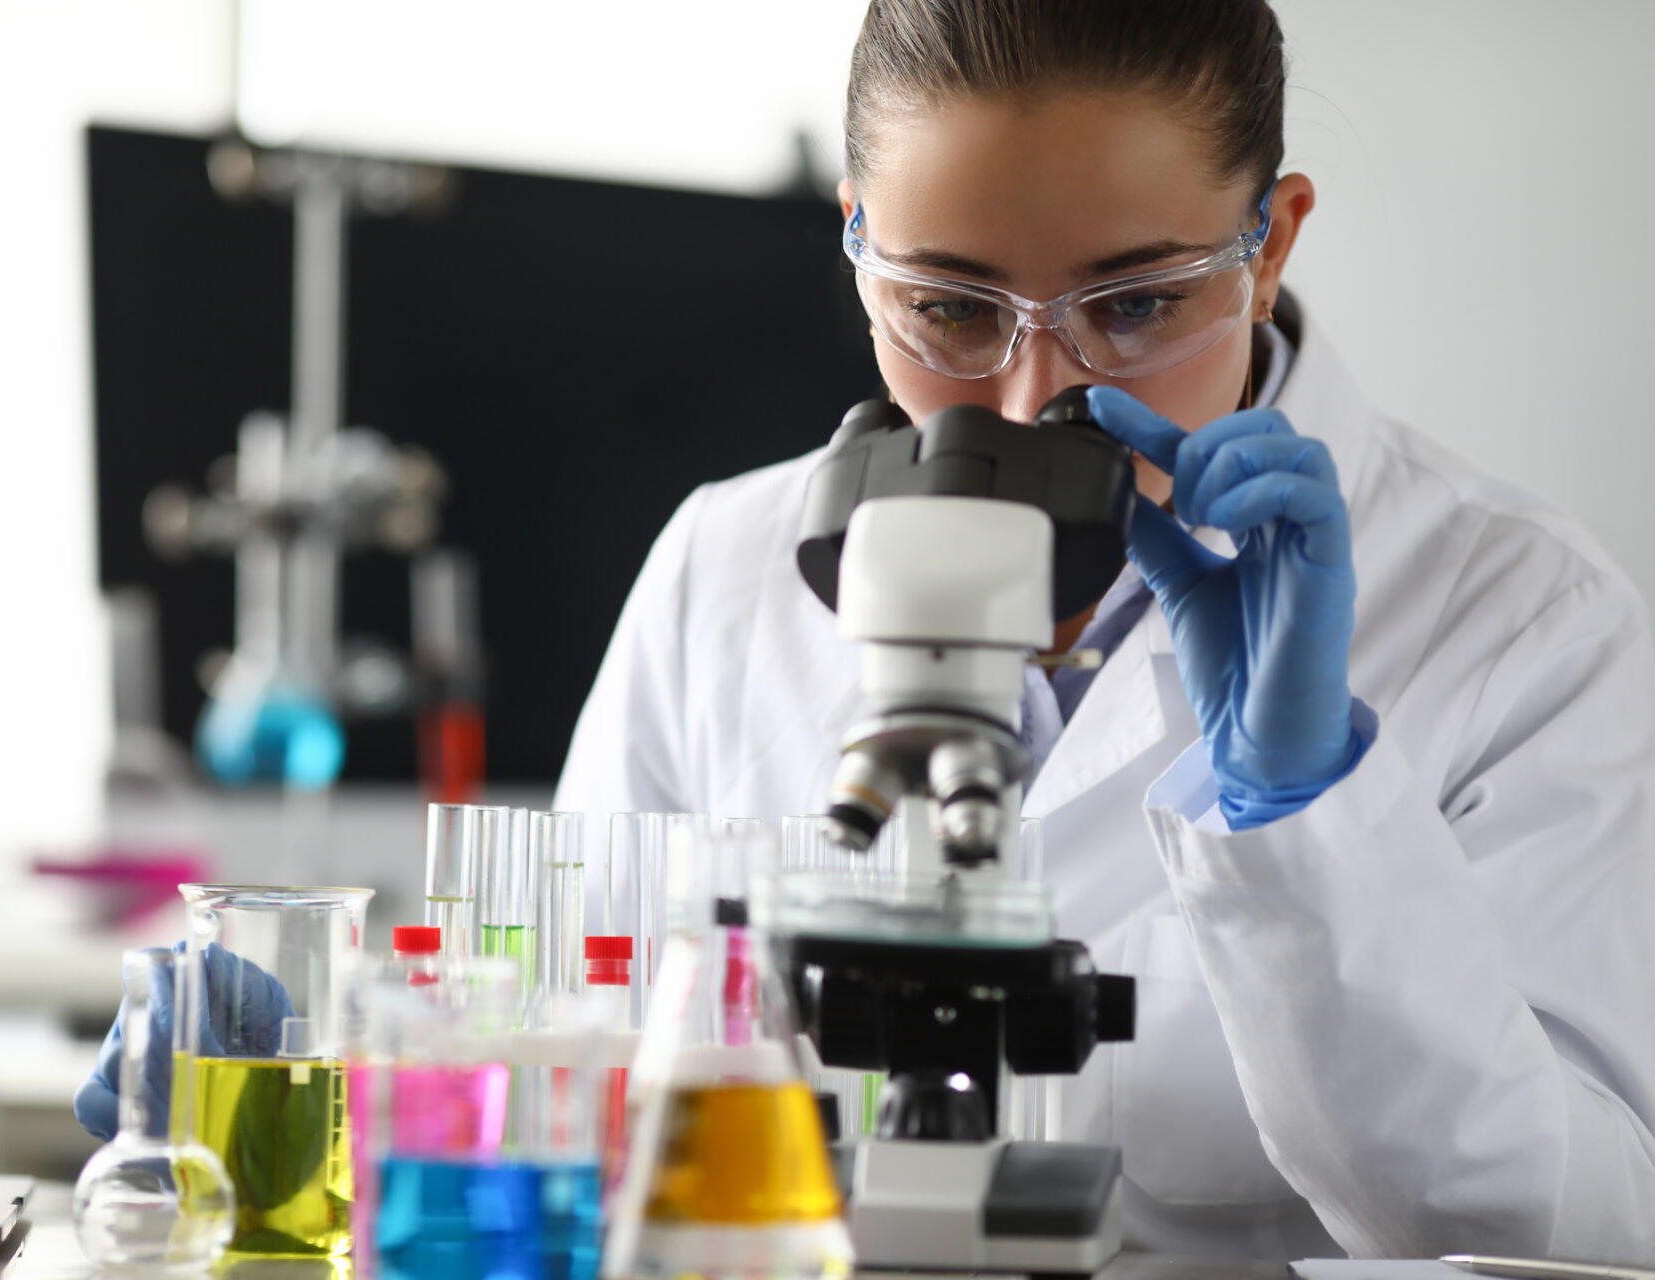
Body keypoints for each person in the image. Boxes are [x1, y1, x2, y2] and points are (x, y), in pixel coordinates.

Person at [553, 0, 1655, 1261]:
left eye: (1133, 307)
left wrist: (1309, 822)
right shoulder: (724, 568)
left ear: (1272, 243)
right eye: (952, 311)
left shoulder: (1521, 616)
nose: (1029, 401)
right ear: (857, 236)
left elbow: (1586, 1241)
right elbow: (572, 1100)